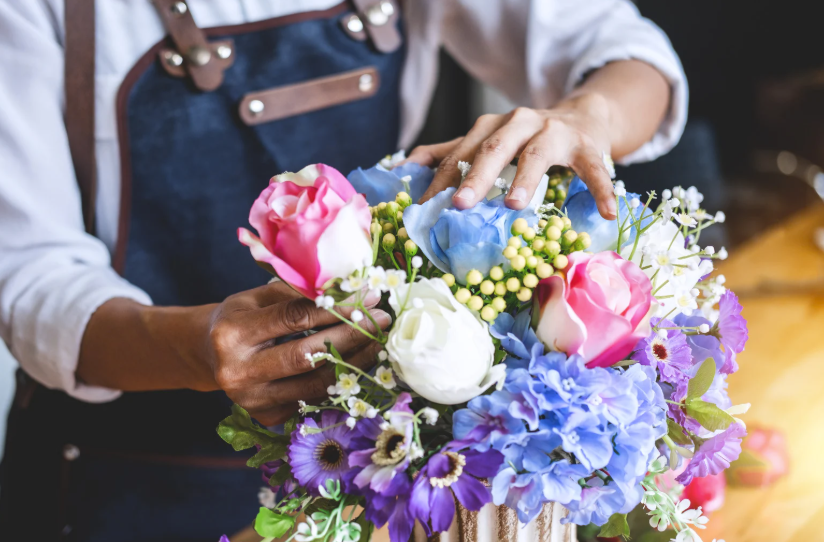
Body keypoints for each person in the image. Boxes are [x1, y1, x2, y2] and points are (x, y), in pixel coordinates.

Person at [0, 0, 686, 540]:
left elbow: (630, 54)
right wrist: (193, 345)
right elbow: (29, 277)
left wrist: (583, 117)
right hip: (121, 488)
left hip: (371, 482)